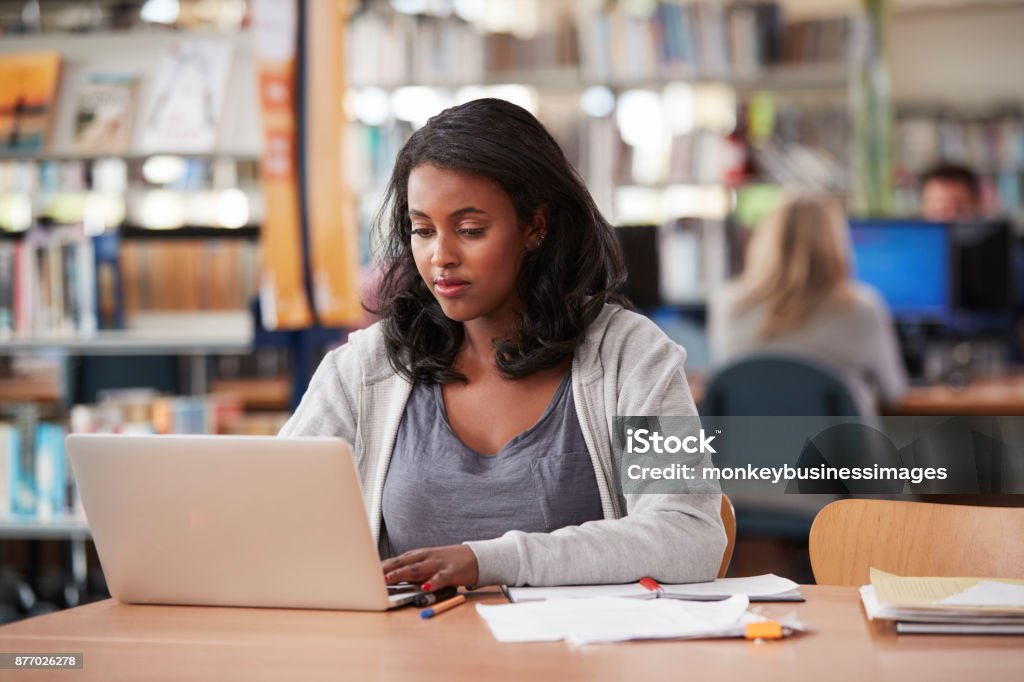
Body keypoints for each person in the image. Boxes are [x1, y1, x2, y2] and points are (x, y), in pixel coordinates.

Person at [281, 98, 724, 591]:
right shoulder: (364, 370)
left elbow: (691, 535)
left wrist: (492, 560)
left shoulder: (631, 355)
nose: (440, 257)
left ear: (535, 226)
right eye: (422, 231)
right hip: (412, 661)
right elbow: (271, 515)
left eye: (470, 230)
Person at [709, 194, 907, 416]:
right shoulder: (862, 307)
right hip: (840, 450)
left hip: (750, 448)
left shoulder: (728, 304)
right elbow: (893, 393)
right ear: (835, 241)